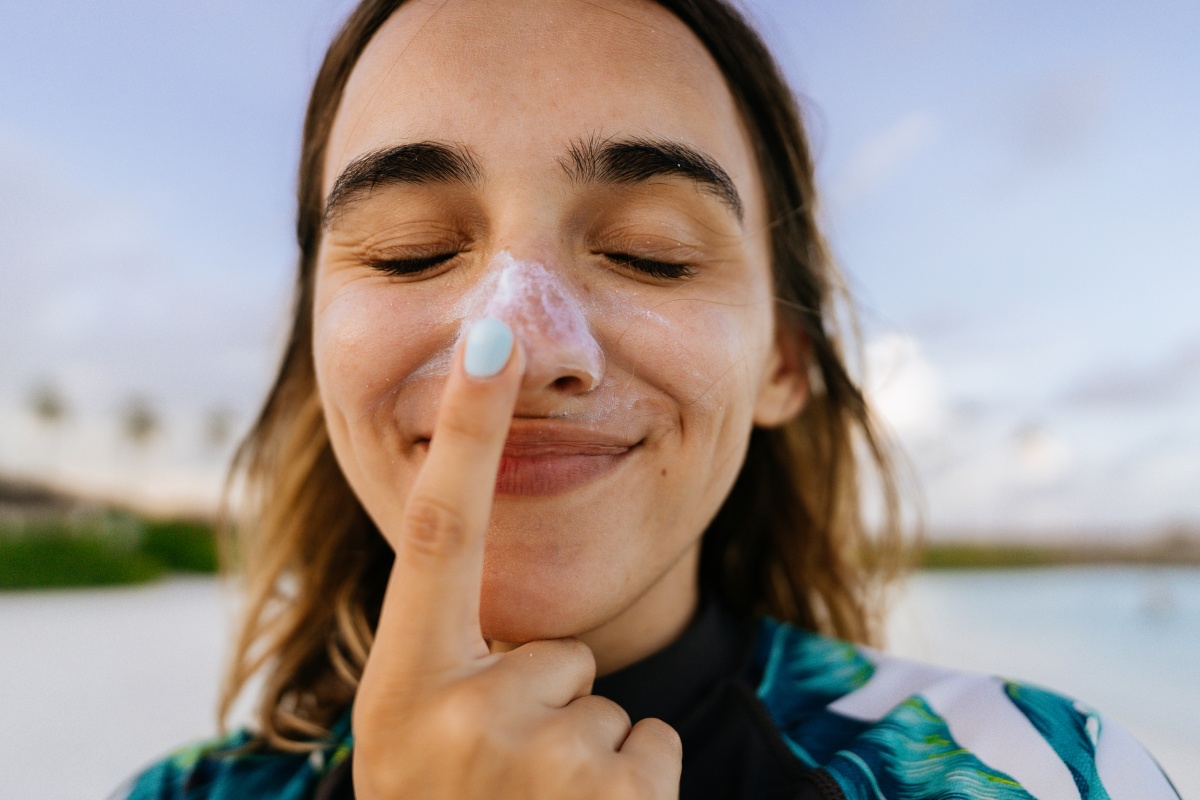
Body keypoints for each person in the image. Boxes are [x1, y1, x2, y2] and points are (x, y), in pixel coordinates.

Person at [112, 1, 1180, 798]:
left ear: (784, 361)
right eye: (411, 252)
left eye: (650, 254)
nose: (524, 346)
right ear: (315, 349)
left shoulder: (1048, 769)